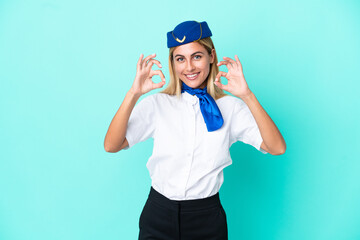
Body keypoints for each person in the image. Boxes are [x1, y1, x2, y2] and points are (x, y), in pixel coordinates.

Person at [104, 20, 286, 240]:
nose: (189, 67)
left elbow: (276, 147)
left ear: (212, 56)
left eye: (197, 56)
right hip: (158, 213)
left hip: (206, 220)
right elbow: (112, 145)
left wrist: (247, 96)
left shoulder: (231, 108)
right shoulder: (158, 104)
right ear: (173, 63)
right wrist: (133, 93)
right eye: (180, 59)